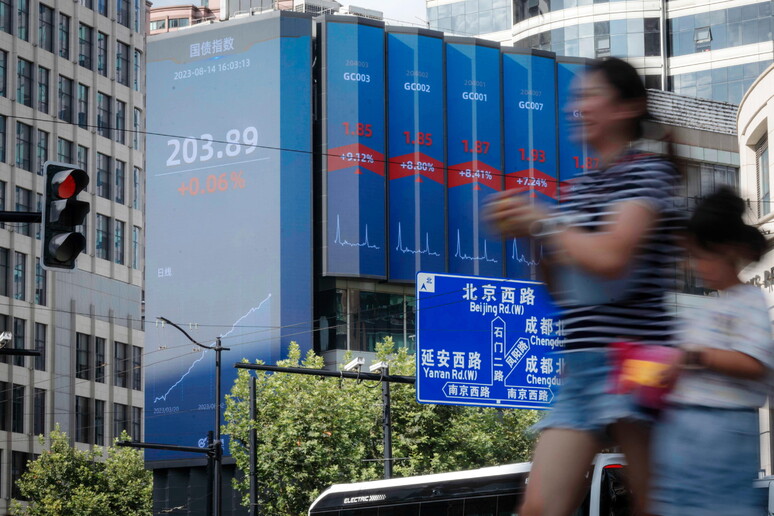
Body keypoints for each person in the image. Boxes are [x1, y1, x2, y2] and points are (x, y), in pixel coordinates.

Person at [484, 56, 682, 516]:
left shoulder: (648, 173)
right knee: (539, 509)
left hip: (637, 363)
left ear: (626, 107)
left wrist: (542, 221)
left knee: (654, 506)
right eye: (577, 98)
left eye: (591, 96)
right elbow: (563, 292)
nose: (578, 107)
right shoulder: (579, 187)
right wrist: (531, 236)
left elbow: (611, 257)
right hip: (582, 367)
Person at [648, 187, 773, 516]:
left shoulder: (749, 300)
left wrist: (691, 357)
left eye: (701, 256)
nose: (695, 266)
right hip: (688, 429)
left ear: (726, 251)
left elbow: (753, 363)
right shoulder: (712, 308)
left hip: (721, 429)